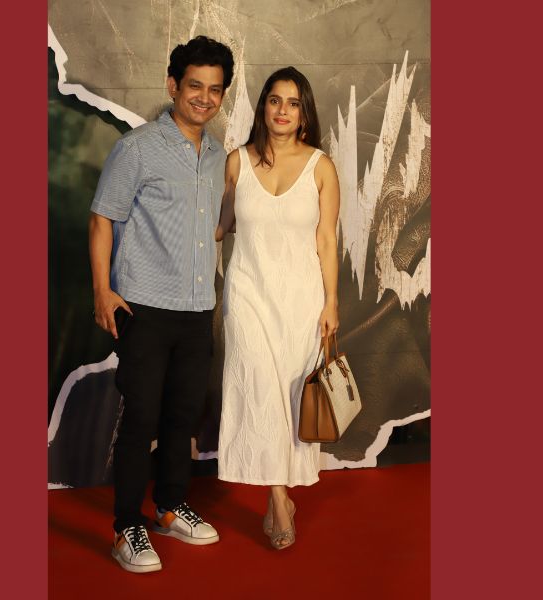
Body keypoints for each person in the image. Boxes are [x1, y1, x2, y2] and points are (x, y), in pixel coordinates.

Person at [89, 36, 234, 574]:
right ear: (173, 85)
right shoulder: (138, 148)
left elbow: (213, 225)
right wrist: (102, 290)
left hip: (197, 308)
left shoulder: (218, 155)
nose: (204, 97)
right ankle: (126, 525)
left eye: (214, 89)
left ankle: (170, 507)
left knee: (183, 415)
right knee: (141, 418)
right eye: (194, 85)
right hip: (144, 308)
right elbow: (102, 217)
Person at [215, 67, 340, 550]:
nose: (282, 110)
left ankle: (278, 493)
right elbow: (220, 225)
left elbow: (326, 241)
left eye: (292, 102)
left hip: (301, 299)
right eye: (274, 100)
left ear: (303, 112)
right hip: (247, 293)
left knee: (289, 396)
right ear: (263, 107)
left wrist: (331, 301)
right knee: (260, 389)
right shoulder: (236, 162)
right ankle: (278, 496)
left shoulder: (321, 167)